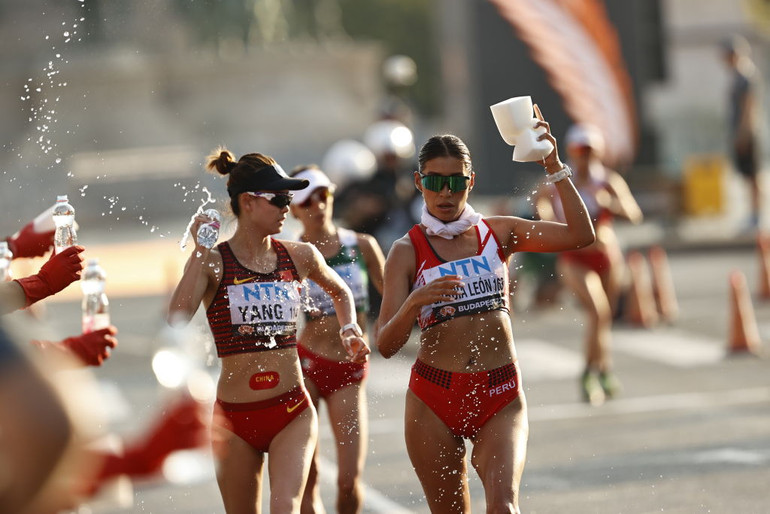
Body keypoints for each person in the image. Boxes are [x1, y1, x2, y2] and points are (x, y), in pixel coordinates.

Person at [375, 107, 595, 513]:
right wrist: (413, 304)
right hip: (433, 401)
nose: (445, 193)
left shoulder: (499, 232)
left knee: (504, 507)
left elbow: (580, 235)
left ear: (470, 182)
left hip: (500, 395)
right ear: (419, 183)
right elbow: (386, 344)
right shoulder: (406, 252)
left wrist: (554, 165)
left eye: (456, 182)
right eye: (435, 182)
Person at [168, 148, 370, 513]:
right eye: (278, 199)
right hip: (234, 419)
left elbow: (340, 291)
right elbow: (177, 317)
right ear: (248, 202)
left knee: (286, 508)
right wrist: (198, 252)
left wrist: (350, 328)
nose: (286, 208)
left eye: (287, 199)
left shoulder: (299, 255)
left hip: (291, 410)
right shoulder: (214, 262)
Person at [288, 165, 385, 514]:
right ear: (294, 209)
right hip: (306, 365)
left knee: (348, 481)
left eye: (322, 195)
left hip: (348, 370)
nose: (317, 205)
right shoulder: (289, 252)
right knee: (307, 476)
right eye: (307, 200)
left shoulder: (361, 245)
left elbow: (393, 298)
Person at [536, 123, 642, 404]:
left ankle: (604, 369)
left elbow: (634, 214)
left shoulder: (607, 180)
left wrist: (612, 204)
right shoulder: (559, 180)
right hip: (574, 257)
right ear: (572, 151)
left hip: (606, 255)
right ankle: (587, 373)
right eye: (581, 151)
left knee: (603, 318)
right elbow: (541, 206)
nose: (586, 157)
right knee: (598, 312)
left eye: (591, 151)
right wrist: (556, 223)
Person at [722, 35, 763, 231]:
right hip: (741, 132)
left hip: (747, 132)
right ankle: (752, 213)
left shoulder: (746, 76)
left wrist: (743, 133)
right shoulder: (737, 77)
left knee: (754, 175)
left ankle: (757, 215)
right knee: (747, 176)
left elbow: (749, 107)